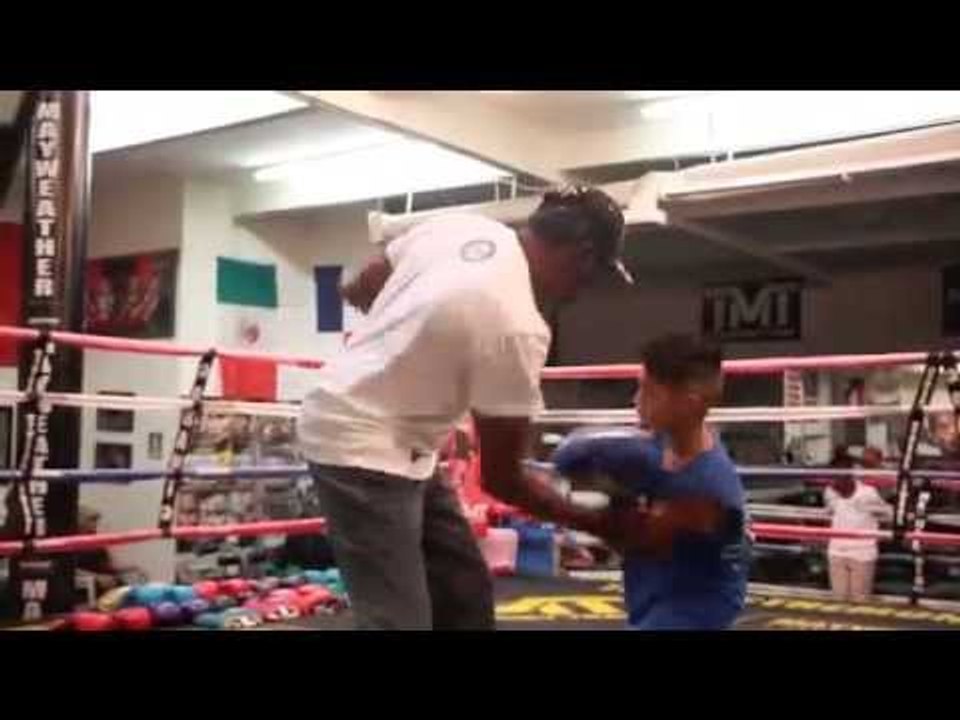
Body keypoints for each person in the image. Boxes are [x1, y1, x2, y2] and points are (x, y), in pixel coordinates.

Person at [298, 186, 658, 630]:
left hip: (407, 444)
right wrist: (601, 524)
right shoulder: (518, 326)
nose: (582, 290)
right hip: (355, 445)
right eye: (592, 275)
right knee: (397, 620)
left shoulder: (462, 227)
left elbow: (361, 282)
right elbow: (503, 480)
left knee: (462, 595)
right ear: (583, 256)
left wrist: (409, 339)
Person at [551, 333, 749, 630]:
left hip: (693, 613)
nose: (636, 401)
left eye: (648, 392)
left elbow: (631, 537)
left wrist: (600, 505)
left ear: (689, 404)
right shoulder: (656, 450)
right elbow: (569, 456)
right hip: (653, 602)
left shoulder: (708, 489)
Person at [823, 449, 892, 603]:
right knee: (838, 600)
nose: (834, 481)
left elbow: (888, 513)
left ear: (849, 475)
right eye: (832, 476)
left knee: (860, 603)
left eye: (838, 476)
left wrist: (877, 533)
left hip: (862, 553)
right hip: (836, 551)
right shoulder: (829, 492)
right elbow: (830, 515)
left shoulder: (868, 493)